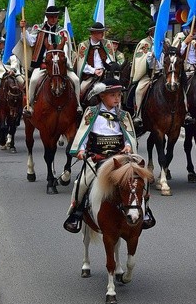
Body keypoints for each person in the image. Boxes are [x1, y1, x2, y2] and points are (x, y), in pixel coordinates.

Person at [63, 78, 155, 233]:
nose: (117, 98)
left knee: (141, 175)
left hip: (119, 158)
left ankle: (145, 208)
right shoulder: (91, 113)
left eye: (119, 95)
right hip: (97, 157)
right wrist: (81, 150)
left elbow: (129, 137)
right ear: (102, 96)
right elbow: (83, 134)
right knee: (82, 182)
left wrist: (127, 146)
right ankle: (76, 212)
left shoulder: (124, 115)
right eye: (113, 95)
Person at [21, 5, 81, 117]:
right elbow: (29, 42)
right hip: (43, 63)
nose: (53, 19)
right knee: (33, 80)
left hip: (60, 64)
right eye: (51, 17)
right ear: (47, 17)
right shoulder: (38, 29)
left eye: (55, 17)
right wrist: (23, 30)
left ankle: (78, 105)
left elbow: (67, 47)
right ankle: (30, 106)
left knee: (76, 80)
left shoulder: (62, 31)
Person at [75, 22, 122, 106]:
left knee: (117, 88)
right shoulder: (83, 45)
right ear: (93, 33)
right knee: (81, 89)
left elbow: (110, 59)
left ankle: (119, 108)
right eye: (100, 32)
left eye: (102, 32)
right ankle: (79, 107)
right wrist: (94, 71)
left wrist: (105, 69)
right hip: (90, 75)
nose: (102, 34)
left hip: (106, 73)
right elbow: (81, 63)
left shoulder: (107, 44)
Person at [128, 24, 164, 128]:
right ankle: (138, 115)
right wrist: (151, 55)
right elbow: (140, 59)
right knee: (139, 90)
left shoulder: (165, 42)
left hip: (163, 73)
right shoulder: (144, 43)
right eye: (155, 30)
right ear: (151, 31)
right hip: (149, 74)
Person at [172, 16, 196, 126]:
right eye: (194, 27)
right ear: (189, 27)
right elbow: (175, 54)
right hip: (185, 70)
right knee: (184, 88)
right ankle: (185, 111)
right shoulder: (181, 37)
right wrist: (185, 42)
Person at [0, 37, 25, 108]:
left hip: (12, 71)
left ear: (4, 43)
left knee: (22, 81)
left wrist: (12, 70)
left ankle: (25, 98)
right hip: (0, 72)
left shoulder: (10, 51)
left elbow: (14, 61)